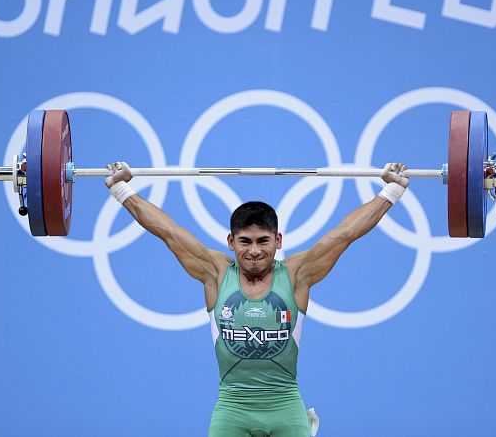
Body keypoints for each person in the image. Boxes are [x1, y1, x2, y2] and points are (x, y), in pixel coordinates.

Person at [104, 162, 410, 437]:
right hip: (231, 407)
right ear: (231, 241)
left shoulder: (296, 275)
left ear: (278, 241)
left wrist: (391, 190)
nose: (254, 251)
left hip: (285, 405)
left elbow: (345, 234)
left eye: (263, 241)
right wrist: (122, 188)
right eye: (245, 242)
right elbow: (167, 230)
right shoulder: (215, 272)